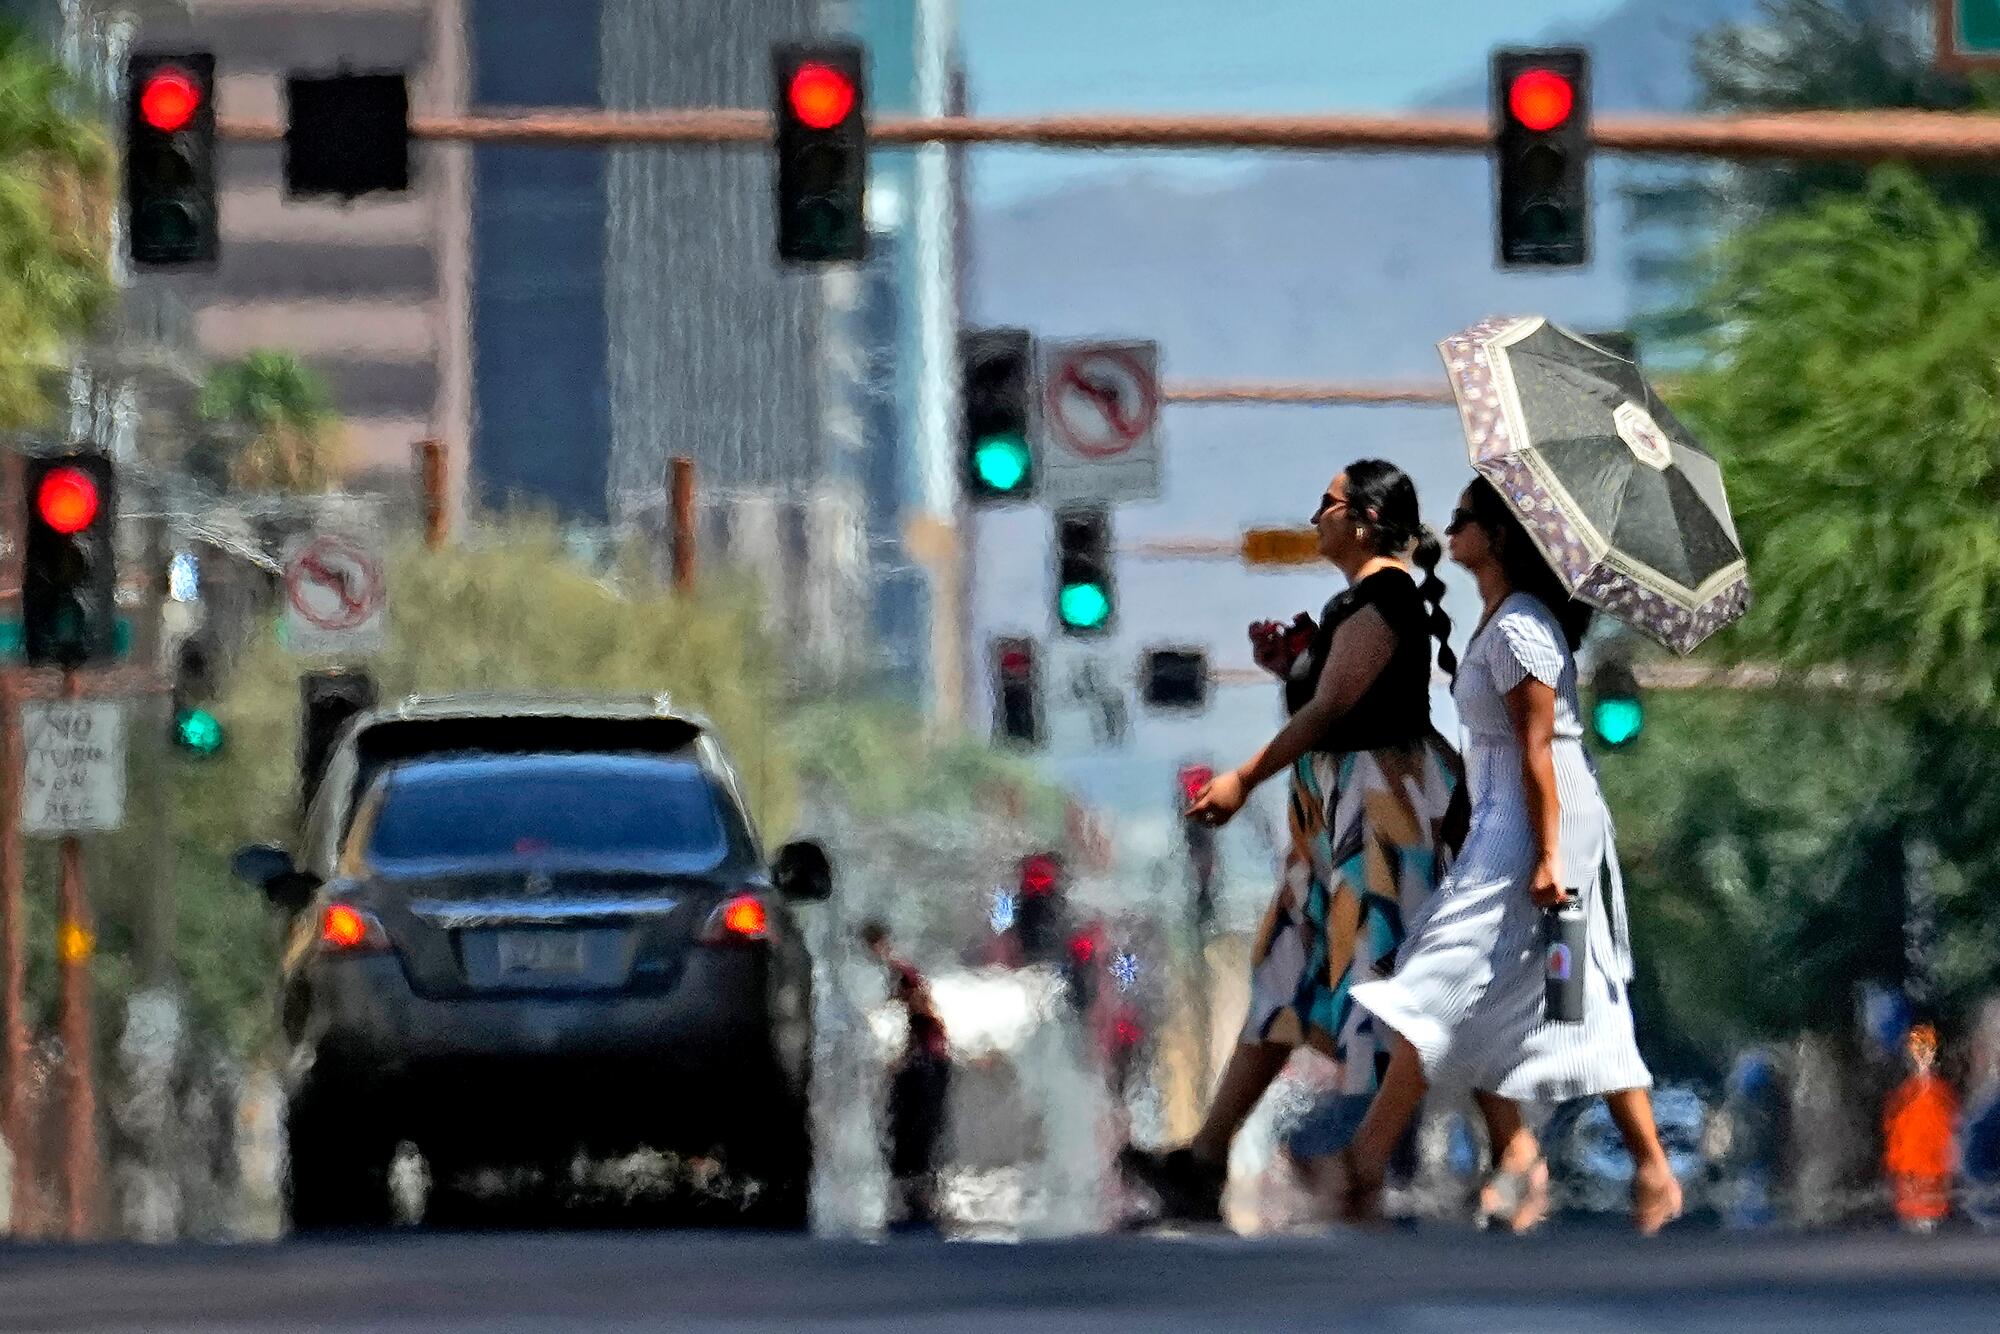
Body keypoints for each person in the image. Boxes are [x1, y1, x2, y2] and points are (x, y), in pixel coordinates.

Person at [1122, 459, 1475, 1222]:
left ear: (1364, 521)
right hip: (1334, 816)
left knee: (1375, 980)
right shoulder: (1355, 605)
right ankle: (1206, 1158)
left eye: (1328, 503)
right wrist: (1290, 668)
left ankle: (1366, 1157)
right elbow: (1327, 700)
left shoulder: (1387, 601)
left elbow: (1332, 711)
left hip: (1376, 819)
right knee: (1286, 971)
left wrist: (1243, 778)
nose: (1315, 515)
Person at [1335, 475, 1683, 1234]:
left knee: (1437, 982)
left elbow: (1538, 748)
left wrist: (1549, 857)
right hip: (1511, 818)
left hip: (1539, 823)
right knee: (1565, 997)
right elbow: (1495, 747)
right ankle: (1639, 1166)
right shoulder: (1502, 618)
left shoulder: (1524, 626)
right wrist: (1463, 812)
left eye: (1463, 520)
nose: (1449, 529)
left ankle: (1366, 1162)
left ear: (1496, 537)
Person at [861, 921, 951, 1230]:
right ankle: (914, 1188)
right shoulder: (899, 972)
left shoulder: (900, 974)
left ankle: (916, 1189)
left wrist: (905, 1058)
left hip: (924, 1061)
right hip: (926, 1059)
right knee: (912, 1125)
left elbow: (919, 1014)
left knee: (914, 1125)